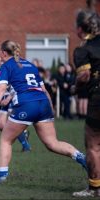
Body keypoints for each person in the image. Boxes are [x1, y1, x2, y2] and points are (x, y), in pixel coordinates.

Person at [0, 40, 87, 184]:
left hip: (26, 105)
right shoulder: (31, 65)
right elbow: (44, 90)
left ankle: (1, 176)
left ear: (3, 53)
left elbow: (1, 89)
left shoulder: (5, 67)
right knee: (52, 143)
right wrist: (51, 109)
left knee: (6, 139)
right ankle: (82, 157)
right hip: (43, 104)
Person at [72, 9, 100, 197]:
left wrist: (75, 86)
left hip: (98, 97)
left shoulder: (84, 49)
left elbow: (84, 76)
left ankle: (95, 187)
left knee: (93, 144)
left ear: (80, 28)